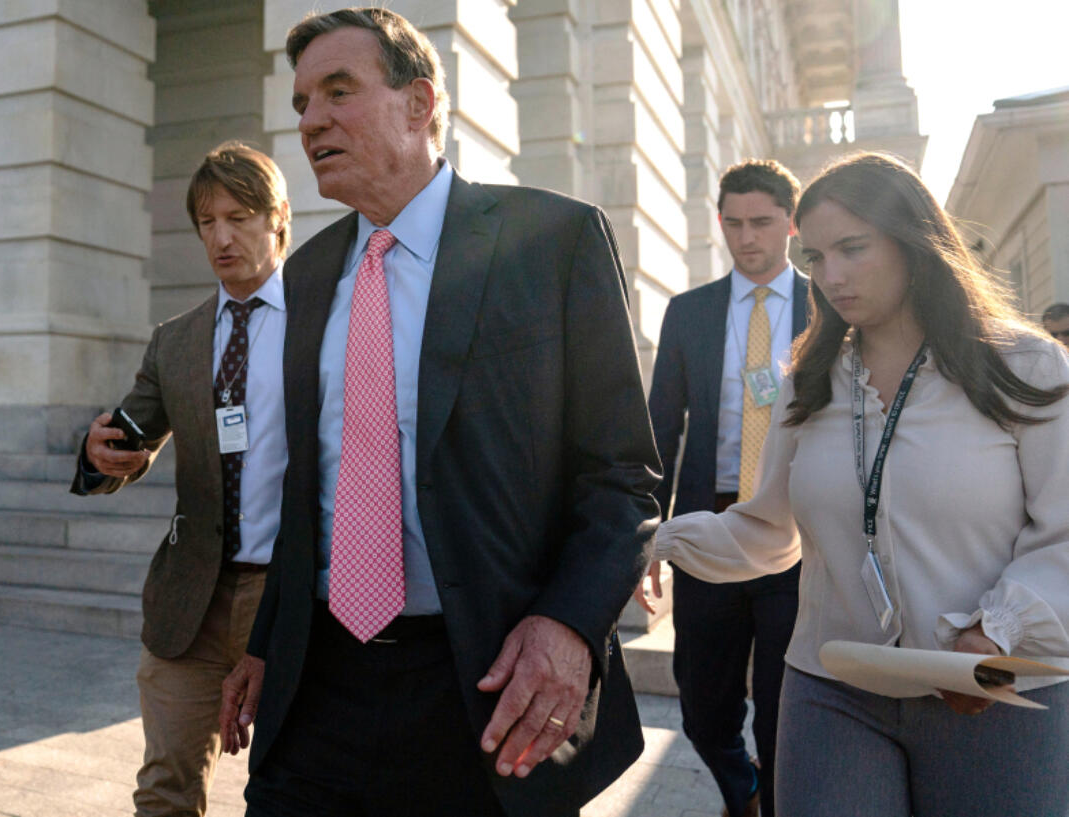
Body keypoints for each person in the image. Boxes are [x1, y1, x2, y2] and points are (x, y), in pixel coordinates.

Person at [217, 8, 660, 817]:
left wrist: (569, 624)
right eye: (303, 102)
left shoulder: (552, 240)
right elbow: (309, 489)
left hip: (485, 690)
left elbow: (623, 475)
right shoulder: (309, 275)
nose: (312, 119)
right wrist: (263, 642)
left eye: (339, 91)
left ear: (419, 104)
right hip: (318, 687)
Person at [646, 151, 1069, 817]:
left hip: (991, 687)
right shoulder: (808, 380)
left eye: (851, 248)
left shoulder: (1027, 366)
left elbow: (1064, 534)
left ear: (912, 240)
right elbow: (767, 530)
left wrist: (998, 629)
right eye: (815, 257)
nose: (831, 277)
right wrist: (656, 538)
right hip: (831, 686)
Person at [70, 141, 290, 817]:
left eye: (239, 217)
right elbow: (127, 439)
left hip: (289, 602)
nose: (221, 237)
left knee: (295, 788)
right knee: (165, 787)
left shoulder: (330, 324)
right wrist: (99, 454)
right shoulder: (177, 340)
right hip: (191, 598)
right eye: (207, 222)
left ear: (278, 220)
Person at [640, 159, 807, 817]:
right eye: (732, 222)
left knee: (782, 707)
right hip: (711, 528)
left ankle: (768, 805)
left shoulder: (830, 308)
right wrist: (646, 539)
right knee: (704, 709)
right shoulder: (690, 313)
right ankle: (744, 788)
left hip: (801, 535)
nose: (746, 237)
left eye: (761, 222)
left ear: (791, 223)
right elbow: (659, 434)